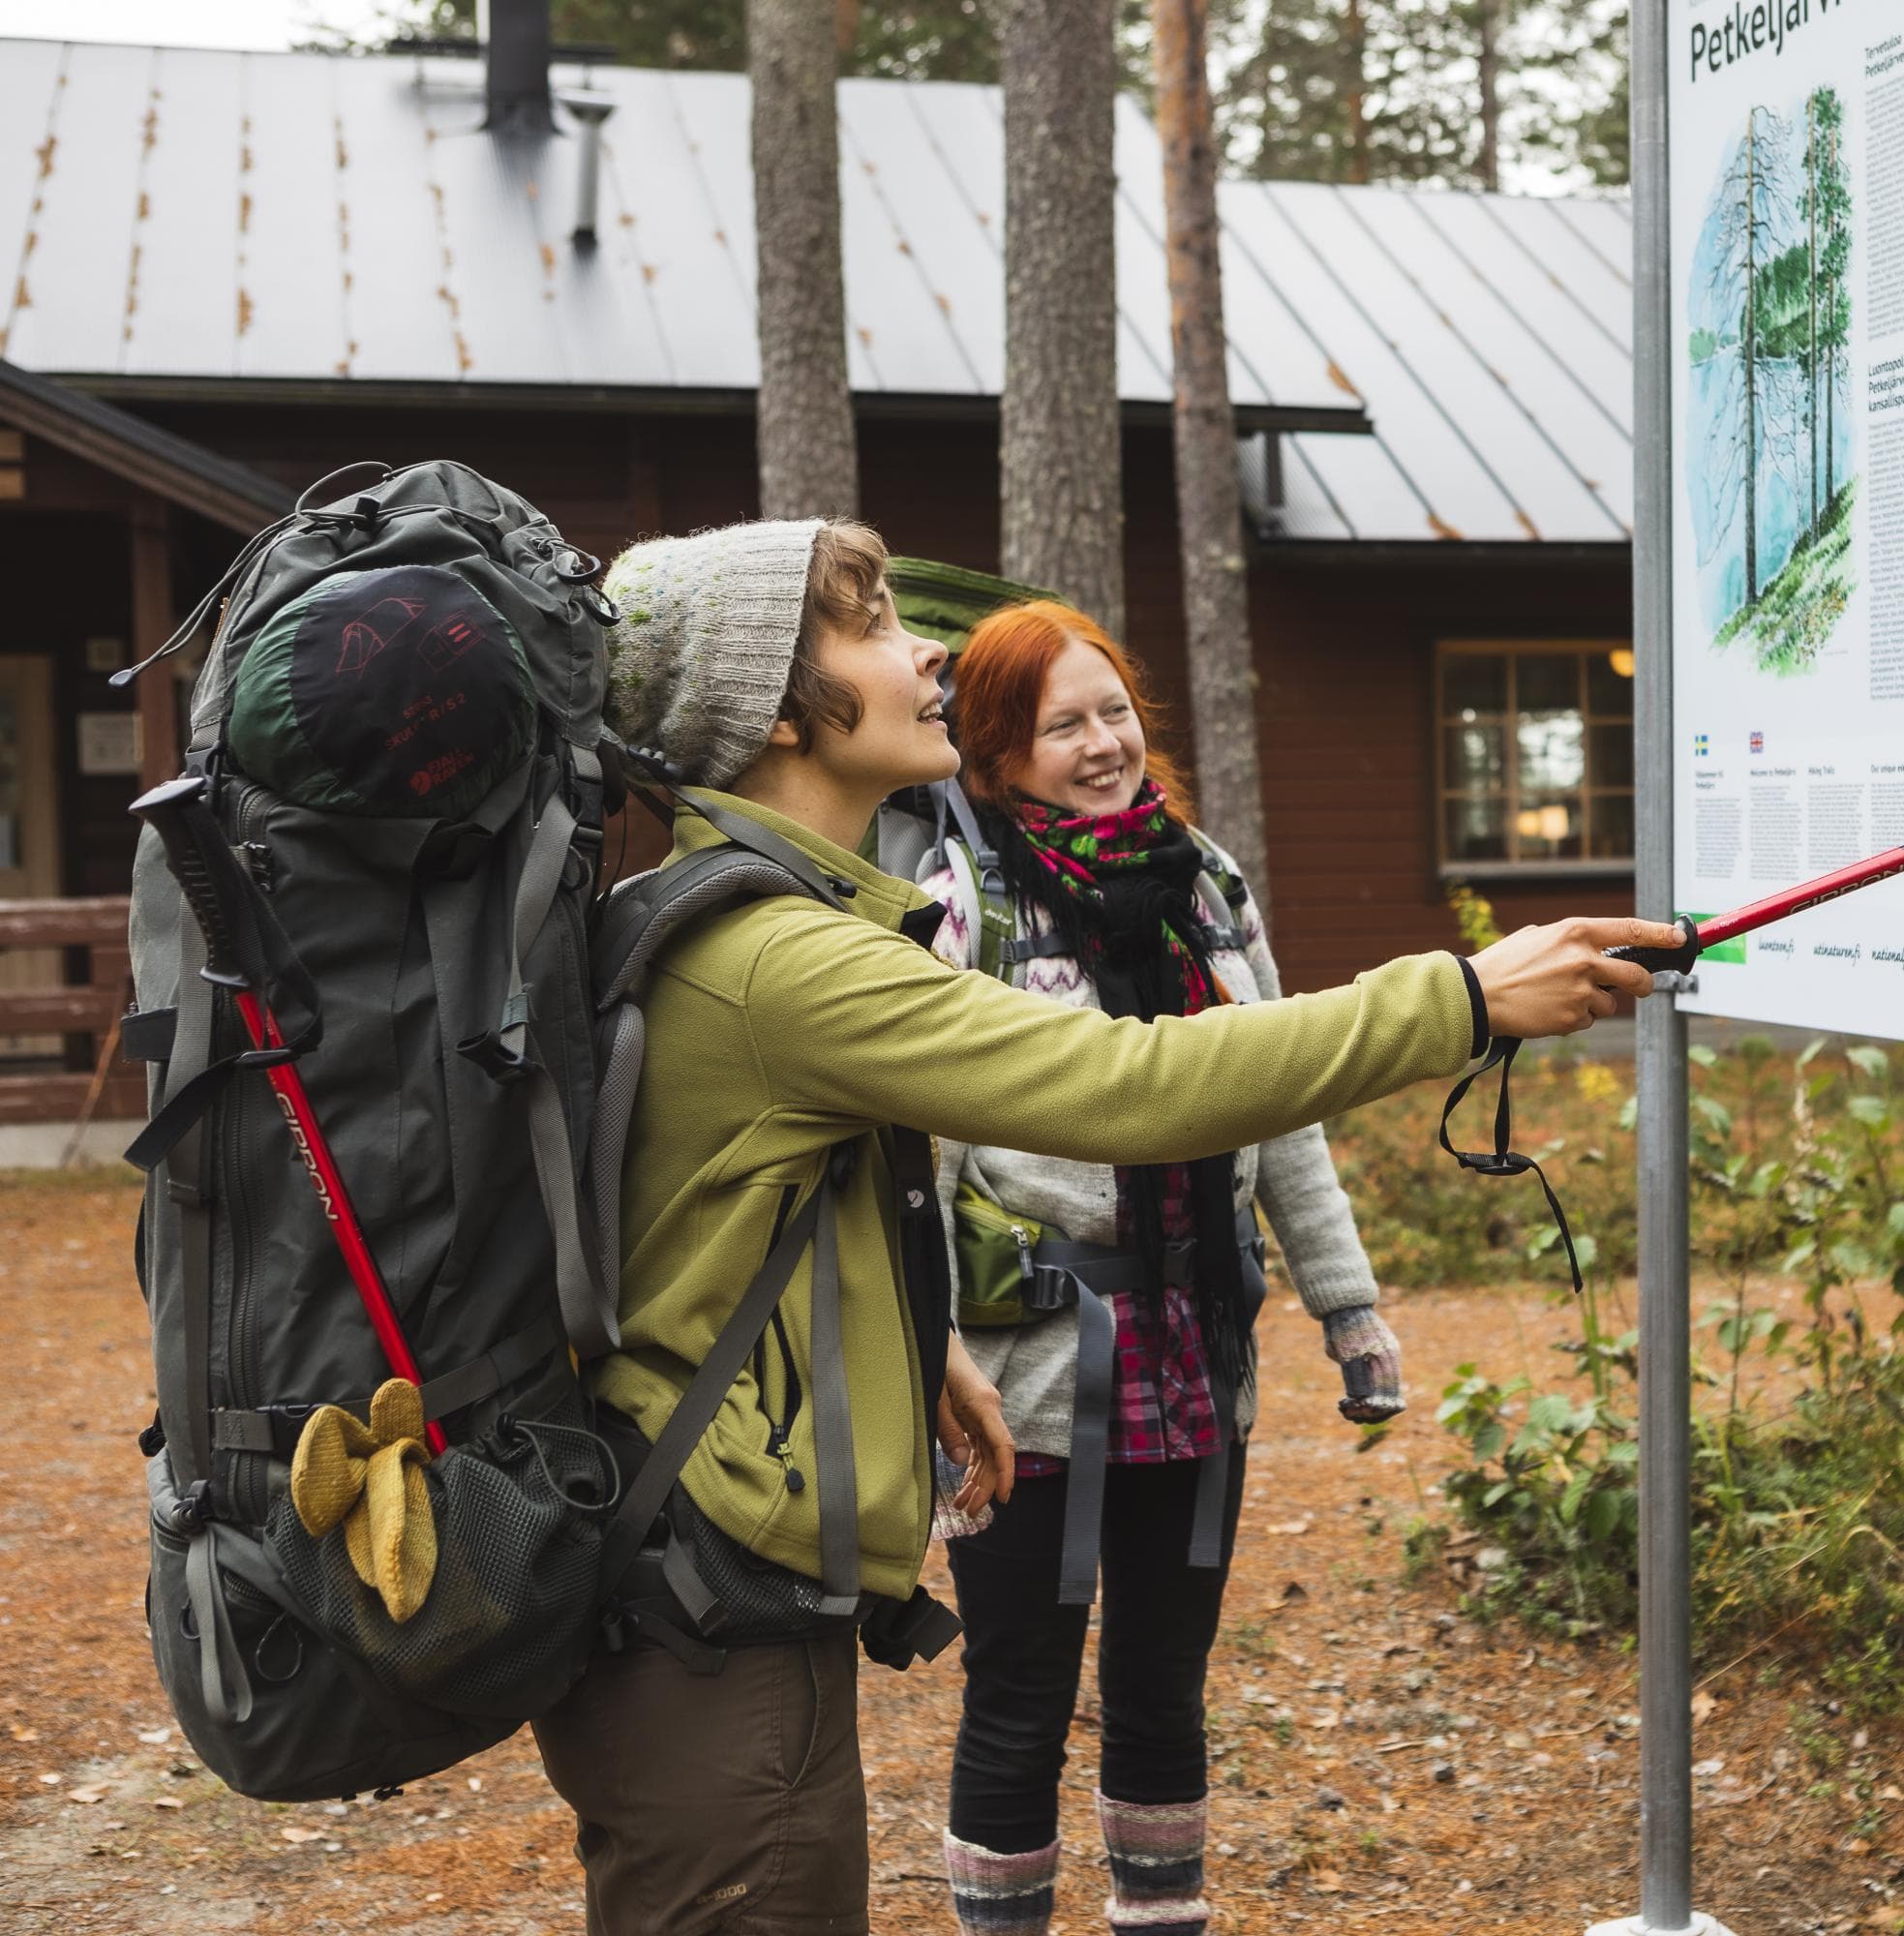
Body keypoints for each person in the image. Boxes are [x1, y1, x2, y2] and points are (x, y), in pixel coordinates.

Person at [528, 516, 1676, 1935]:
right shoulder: (791, 954)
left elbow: (758, 1203)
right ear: (774, 708)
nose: (926, 646)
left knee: (1145, 1690)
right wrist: (1459, 997)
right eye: (875, 625)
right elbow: (1126, 1083)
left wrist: (916, 1346)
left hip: (721, 1573)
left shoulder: (756, 913)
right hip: (709, 1599)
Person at [924, 602, 1409, 1936]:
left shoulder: (1206, 883)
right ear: (993, 755)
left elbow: (1281, 1102)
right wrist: (926, 1348)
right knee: (1020, 1685)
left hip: (1198, 1349)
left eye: (1114, 711)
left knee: (1163, 1683)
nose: (1102, 744)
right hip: (1031, 1371)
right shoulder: (967, 907)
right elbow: (923, 1146)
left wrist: (1348, 1306)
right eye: (1059, 725)